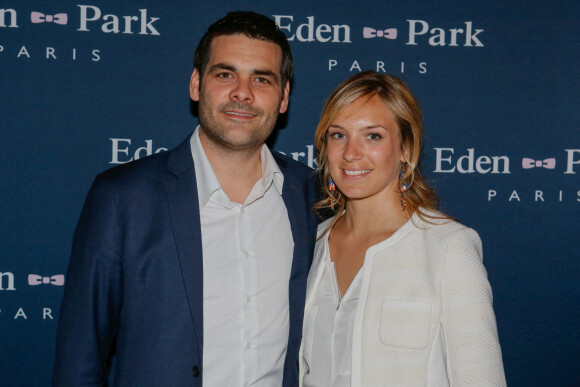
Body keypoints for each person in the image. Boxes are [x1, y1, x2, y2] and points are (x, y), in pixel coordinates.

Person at [53, 11, 318, 387]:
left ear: (284, 97)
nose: (243, 92)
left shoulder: (311, 195)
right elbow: (79, 359)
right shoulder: (123, 198)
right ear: (196, 84)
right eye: (225, 74)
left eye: (262, 78)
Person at [299, 71, 506, 386]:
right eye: (338, 135)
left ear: (406, 148)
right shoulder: (311, 242)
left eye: (373, 136)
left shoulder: (447, 247)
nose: (351, 153)